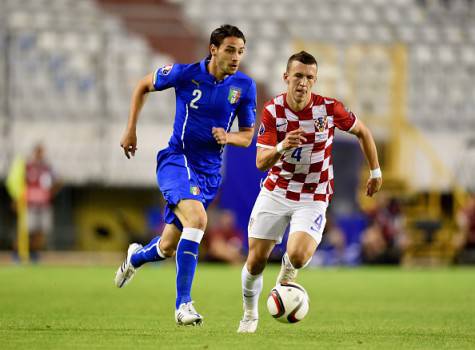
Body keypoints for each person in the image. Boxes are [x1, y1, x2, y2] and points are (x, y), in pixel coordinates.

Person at [115, 24, 256, 326]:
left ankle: (135, 257)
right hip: (177, 160)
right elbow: (142, 85)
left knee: (167, 247)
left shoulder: (244, 87)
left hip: (208, 174)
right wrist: (130, 128)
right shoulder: (184, 73)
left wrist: (227, 137)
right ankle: (183, 305)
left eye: (241, 51)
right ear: (213, 49)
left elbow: (246, 136)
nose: (236, 57)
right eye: (230, 50)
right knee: (199, 221)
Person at [237, 51, 382, 333]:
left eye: (310, 78)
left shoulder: (328, 109)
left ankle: (284, 282)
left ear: (314, 81)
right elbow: (259, 161)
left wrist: (375, 171)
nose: (303, 83)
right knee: (255, 261)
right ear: (286, 77)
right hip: (277, 190)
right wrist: (282, 147)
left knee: (300, 255)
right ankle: (249, 314)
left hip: (313, 195)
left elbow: (363, 131)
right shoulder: (272, 110)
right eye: (299, 76)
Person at [23, 143, 59, 261]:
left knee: (41, 231)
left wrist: (51, 192)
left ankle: (35, 254)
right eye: (38, 151)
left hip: (44, 203)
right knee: (29, 230)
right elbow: (22, 181)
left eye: (41, 151)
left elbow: (57, 181)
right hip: (31, 203)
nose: (40, 154)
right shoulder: (28, 165)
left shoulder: (47, 167)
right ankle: (21, 252)